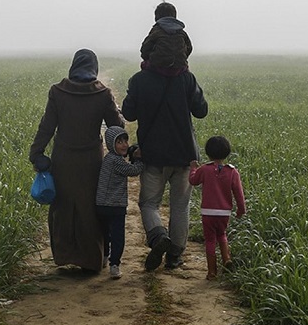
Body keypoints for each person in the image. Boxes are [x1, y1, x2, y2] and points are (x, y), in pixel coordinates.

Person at [29, 49, 125, 274]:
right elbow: (116, 126)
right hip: (92, 160)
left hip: (63, 159)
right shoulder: (102, 94)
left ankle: (65, 255)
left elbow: (47, 126)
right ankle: (92, 259)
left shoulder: (58, 92)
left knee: (63, 207)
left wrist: (36, 153)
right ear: (94, 68)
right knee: (90, 208)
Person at [122, 36, 208, 271]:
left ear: (149, 52)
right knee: (180, 206)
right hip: (185, 156)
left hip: (153, 156)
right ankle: (175, 257)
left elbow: (128, 114)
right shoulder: (186, 78)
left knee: (149, 204)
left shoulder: (139, 80)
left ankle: (159, 237)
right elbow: (201, 111)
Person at [189, 136, 246, 280]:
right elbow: (239, 194)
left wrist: (193, 168)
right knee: (222, 235)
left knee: (210, 240)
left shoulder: (205, 169)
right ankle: (227, 259)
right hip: (224, 212)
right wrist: (241, 210)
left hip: (208, 212)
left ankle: (212, 272)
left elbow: (193, 181)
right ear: (227, 153)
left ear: (208, 153)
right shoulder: (232, 172)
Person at [95, 125, 145, 279]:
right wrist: (139, 159)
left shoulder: (107, 158)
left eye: (125, 141)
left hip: (101, 204)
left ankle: (104, 256)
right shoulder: (116, 161)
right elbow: (133, 171)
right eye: (119, 142)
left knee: (105, 233)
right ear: (111, 144)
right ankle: (114, 264)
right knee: (118, 236)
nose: (124, 145)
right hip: (115, 205)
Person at [140, 1, 192, 76]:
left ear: (156, 17)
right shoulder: (181, 32)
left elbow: (145, 49)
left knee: (143, 67)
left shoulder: (156, 31)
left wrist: (150, 58)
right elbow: (189, 48)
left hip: (157, 68)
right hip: (179, 69)